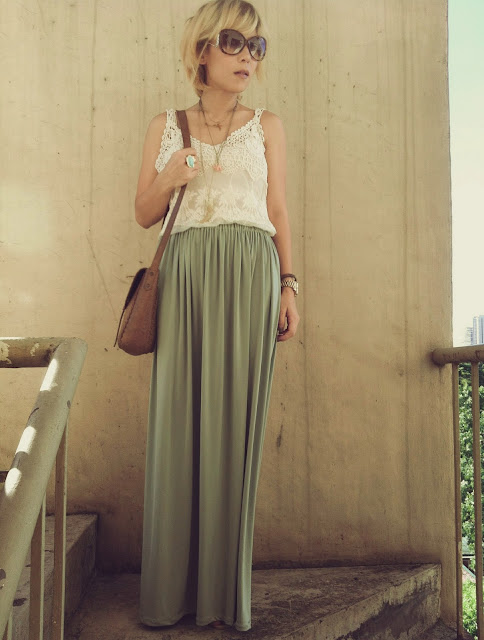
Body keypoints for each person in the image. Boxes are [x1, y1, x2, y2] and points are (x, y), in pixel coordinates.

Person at [136, 0, 299, 632]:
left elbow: (277, 210)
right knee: (178, 424)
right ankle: (169, 594)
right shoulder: (166, 125)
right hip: (185, 278)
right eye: (234, 42)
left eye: (257, 47)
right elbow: (143, 212)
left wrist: (288, 285)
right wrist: (170, 176)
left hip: (252, 275)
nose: (247, 57)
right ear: (202, 49)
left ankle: (222, 597)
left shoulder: (267, 126)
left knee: (235, 429)